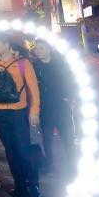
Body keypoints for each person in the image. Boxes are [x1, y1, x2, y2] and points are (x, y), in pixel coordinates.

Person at [0, 33, 42, 197]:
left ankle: (33, 184)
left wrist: (34, 111)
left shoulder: (23, 64)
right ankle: (20, 187)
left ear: (7, 44)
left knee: (24, 150)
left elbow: (33, 89)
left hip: (19, 112)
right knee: (10, 151)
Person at [31, 39, 76, 174]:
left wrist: (69, 97)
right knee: (47, 138)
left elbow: (70, 81)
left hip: (62, 106)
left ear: (49, 49)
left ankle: (73, 166)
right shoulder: (34, 67)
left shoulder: (60, 64)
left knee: (68, 137)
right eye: (37, 49)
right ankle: (50, 165)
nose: (38, 51)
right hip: (45, 107)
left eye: (41, 48)